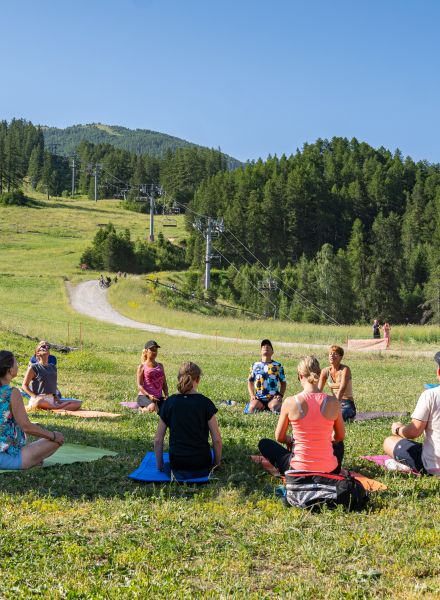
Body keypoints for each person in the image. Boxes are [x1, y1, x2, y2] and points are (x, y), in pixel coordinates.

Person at [258, 355, 345, 475]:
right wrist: (325, 440)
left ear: (300, 376)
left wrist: (290, 440)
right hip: (330, 470)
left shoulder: (290, 402)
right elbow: (339, 437)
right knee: (339, 445)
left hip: (297, 470)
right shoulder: (333, 402)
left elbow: (279, 437)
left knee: (264, 444)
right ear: (319, 375)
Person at [0, 350, 64, 470]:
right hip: (7, 458)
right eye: (16, 363)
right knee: (57, 438)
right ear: (9, 370)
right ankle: (34, 460)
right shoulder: (11, 393)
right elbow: (26, 427)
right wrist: (53, 435)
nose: (17, 365)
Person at [154, 362, 222, 476]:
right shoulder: (205, 403)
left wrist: (160, 466)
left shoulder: (169, 403)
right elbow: (217, 440)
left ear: (178, 378)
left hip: (177, 464)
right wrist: (216, 464)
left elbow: (158, 440)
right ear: (198, 379)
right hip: (202, 464)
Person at [383, 352, 440, 475]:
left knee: (389, 441)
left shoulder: (431, 395)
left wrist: (398, 429)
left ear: (439, 372)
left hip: (433, 465)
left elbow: (413, 432)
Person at [22, 342, 82, 411]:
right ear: (38, 353)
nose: (46, 348)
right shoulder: (34, 367)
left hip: (51, 399)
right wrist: (35, 397)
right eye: (43, 347)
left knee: (78, 403)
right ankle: (56, 408)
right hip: (40, 399)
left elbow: (52, 385)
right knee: (40, 402)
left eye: (48, 347)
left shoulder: (53, 367)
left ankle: (53, 408)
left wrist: (56, 397)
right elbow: (24, 385)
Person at [319, 345, 356, 422]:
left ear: (341, 357)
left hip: (346, 403)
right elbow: (318, 390)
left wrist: (335, 405)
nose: (332, 356)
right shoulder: (325, 371)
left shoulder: (345, 369)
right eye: (330, 354)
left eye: (335, 354)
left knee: (335, 418)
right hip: (333, 402)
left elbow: (342, 389)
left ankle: (350, 416)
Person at [248, 339, 286, 413]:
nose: (266, 347)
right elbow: (250, 382)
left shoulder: (278, 366)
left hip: (273, 397)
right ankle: (261, 406)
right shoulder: (254, 365)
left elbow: (283, 383)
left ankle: (271, 405)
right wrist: (252, 395)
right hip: (259, 397)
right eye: (263, 346)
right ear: (260, 352)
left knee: (275, 408)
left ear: (272, 352)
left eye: (268, 346)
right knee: (252, 408)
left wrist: (280, 395)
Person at [136, 340, 168, 413]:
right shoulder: (142, 367)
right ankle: (141, 408)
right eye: (152, 350)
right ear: (146, 351)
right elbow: (140, 386)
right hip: (144, 397)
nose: (154, 352)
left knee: (169, 408)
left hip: (158, 398)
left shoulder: (160, 366)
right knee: (153, 408)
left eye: (155, 350)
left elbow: (164, 383)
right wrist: (149, 396)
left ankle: (156, 406)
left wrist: (166, 395)